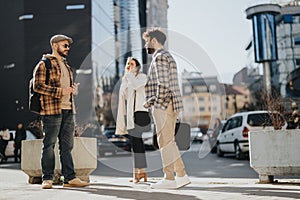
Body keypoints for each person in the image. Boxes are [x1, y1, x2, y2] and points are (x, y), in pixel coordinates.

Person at [33, 34, 88, 189]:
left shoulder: (67, 66)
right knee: (49, 144)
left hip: (69, 110)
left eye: (68, 46)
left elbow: (67, 90)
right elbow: (37, 86)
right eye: (65, 45)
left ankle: (70, 178)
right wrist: (62, 91)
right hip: (51, 111)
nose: (68, 48)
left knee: (67, 146)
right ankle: (48, 178)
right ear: (55, 45)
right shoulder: (44, 64)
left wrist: (73, 91)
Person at [142, 28, 191, 189]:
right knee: (169, 142)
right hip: (171, 104)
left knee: (164, 141)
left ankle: (169, 178)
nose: (145, 45)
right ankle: (182, 175)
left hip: (163, 104)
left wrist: (156, 102)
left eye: (146, 41)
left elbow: (163, 84)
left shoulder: (160, 57)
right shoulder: (167, 56)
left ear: (154, 41)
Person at [116, 57, 148, 183]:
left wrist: (129, 76)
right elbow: (123, 96)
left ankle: (137, 174)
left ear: (137, 66)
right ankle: (141, 173)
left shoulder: (142, 77)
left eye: (132, 63)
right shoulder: (126, 79)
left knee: (136, 143)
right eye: (128, 64)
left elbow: (136, 86)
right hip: (130, 116)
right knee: (136, 143)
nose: (129, 65)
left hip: (139, 114)